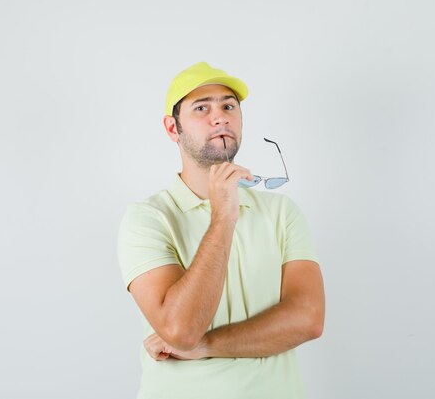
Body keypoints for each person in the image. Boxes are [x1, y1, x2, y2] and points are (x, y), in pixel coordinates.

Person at [117, 62, 325, 399]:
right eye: (202, 108)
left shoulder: (282, 212)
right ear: (173, 128)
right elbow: (181, 330)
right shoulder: (147, 219)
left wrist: (208, 345)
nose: (220, 117)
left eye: (229, 106)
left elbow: (309, 318)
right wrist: (223, 218)